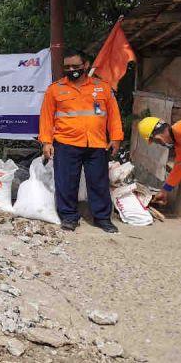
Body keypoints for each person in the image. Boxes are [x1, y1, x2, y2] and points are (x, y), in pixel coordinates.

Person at [38, 50, 123, 233]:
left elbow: (114, 116)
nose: (71, 70)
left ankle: (102, 218)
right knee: (66, 182)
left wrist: (116, 138)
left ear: (86, 65)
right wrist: (46, 142)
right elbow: (46, 118)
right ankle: (69, 217)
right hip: (66, 142)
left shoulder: (103, 88)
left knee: (99, 182)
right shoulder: (55, 89)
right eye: (67, 67)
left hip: (97, 143)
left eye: (75, 66)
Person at [137, 115, 181, 205]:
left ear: (158, 138)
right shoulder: (180, 143)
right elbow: (180, 167)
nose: (161, 145)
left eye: (157, 142)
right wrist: (164, 191)